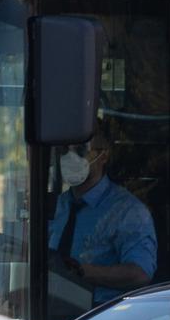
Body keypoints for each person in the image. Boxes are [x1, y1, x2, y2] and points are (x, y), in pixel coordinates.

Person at [49, 123, 158, 307]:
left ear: (103, 155)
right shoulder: (57, 206)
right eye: (64, 150)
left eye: (81, 150)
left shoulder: (128, 212)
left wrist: (81, 272)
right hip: (49, 310)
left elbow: (140, 273)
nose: (70, 157)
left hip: (101, 317)